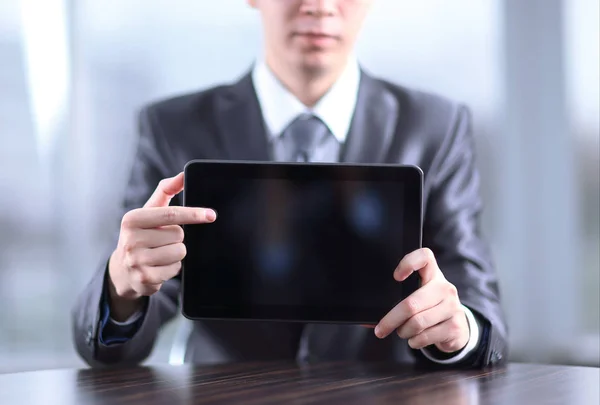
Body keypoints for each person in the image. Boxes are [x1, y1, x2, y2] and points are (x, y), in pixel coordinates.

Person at [72, 0, 507, 368]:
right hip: (225, 393)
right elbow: (122, 333)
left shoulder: (435, 127)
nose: (318, 6)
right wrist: (122, 288)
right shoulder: (173, 127)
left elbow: (475, 295)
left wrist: (458, 328)